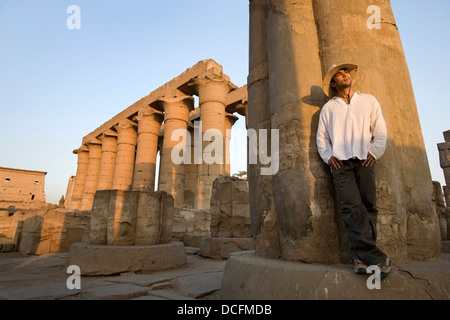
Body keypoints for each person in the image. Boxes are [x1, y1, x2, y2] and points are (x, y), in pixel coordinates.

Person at [316, 63, 391, 278]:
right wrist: (328, 156)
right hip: (341, 164)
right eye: (340, 73)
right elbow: (322, 137)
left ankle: (360, 257)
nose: (345, 74)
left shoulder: (368, 100)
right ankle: (376, 258)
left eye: (346, 71)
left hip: (365, 159)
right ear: (333, 82)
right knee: (351, 208)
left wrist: (374, 151)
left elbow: (380, 130)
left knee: (369, 208)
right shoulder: (329, 108)